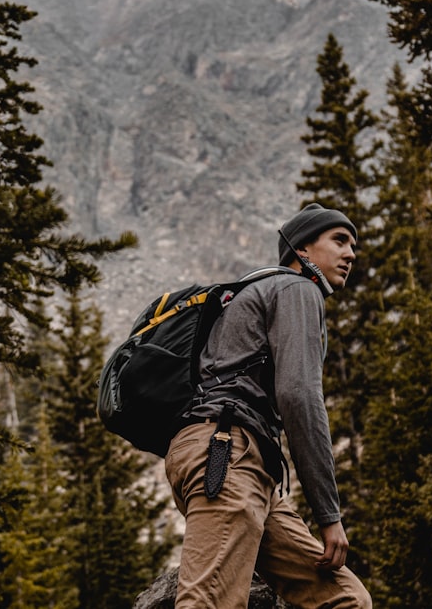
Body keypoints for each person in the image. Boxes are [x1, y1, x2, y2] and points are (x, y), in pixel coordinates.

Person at [164, 203, 373, 608]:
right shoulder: (297, 288)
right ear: (303, 251)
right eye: (340, 240)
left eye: (354, 245)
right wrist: (329, 516)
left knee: (346, 599)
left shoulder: (260, 292)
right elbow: (299, 395)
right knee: (207, 603)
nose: (351, 254)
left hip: (241, 464)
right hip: (225, 456)